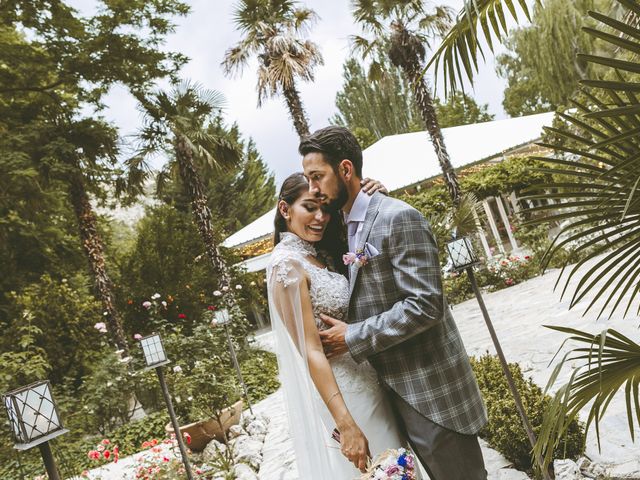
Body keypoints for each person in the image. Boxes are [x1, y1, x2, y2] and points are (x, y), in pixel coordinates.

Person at [299, 126, 489, 480]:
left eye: (317, 177)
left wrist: (353, 337)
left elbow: (426, 304)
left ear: (345, 170)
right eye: (308, 179)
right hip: (384, 398)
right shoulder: (338, 228)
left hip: (431, 393)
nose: (312, 189)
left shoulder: (398, 216)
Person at [266, 173, 406, 478]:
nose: (321, 217)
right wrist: (345, 423)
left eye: (325, 209)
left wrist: (376, 196)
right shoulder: (285, 265)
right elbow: (311, 350)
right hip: (345, 394)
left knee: (397, 466)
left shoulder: (319, 255)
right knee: (381, 469)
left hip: (370, 382)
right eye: (309, 207)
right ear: (285, 209)